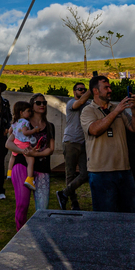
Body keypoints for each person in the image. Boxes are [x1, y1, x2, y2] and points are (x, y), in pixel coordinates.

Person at [81, 76, 135, 213]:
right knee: (105, 218)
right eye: (106, 87)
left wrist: (133, 110)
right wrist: (116, 112)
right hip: (101, 172)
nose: (110, 90)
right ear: (96, 91)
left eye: (110, 87)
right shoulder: (88, 111)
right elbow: (94, 130)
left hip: (124, 170)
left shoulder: (117, 108)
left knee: (130, 213)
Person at [6, 94, 55, 230]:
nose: (42, 105)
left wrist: (36, 153)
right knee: (22, 204)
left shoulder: (50, 126)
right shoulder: (23, 123)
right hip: (22, 164)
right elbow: (8, 144)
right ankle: (20, 233)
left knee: (42, 209)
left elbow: (51, 149)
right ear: (32, 105)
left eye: (44, 103)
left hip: (43, 169)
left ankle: (41, 237)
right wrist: (24, 152)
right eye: (38, 102)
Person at [57, 81, 92, 210]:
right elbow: (80, 102)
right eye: (80, 89)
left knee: (85, 173)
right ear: (74, 92)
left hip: (83, 143)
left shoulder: (87, 104)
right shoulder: (72, 103)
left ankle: (64, 193)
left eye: (84, 89)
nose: (82, 91)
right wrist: (91, 89)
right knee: (70, 174)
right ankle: (73, 203)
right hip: (70, 142)